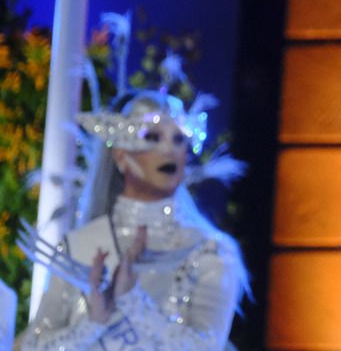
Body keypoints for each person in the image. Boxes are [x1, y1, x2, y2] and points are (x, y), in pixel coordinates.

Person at [18, 90, 248, 350]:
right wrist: (91, 324)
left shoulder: (211, 251)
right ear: (120, 155)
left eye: (179, 139)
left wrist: (133, 303)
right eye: (151, 137)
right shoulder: (79, 246)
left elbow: (206, 346)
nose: (169, 150)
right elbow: (32, 345)